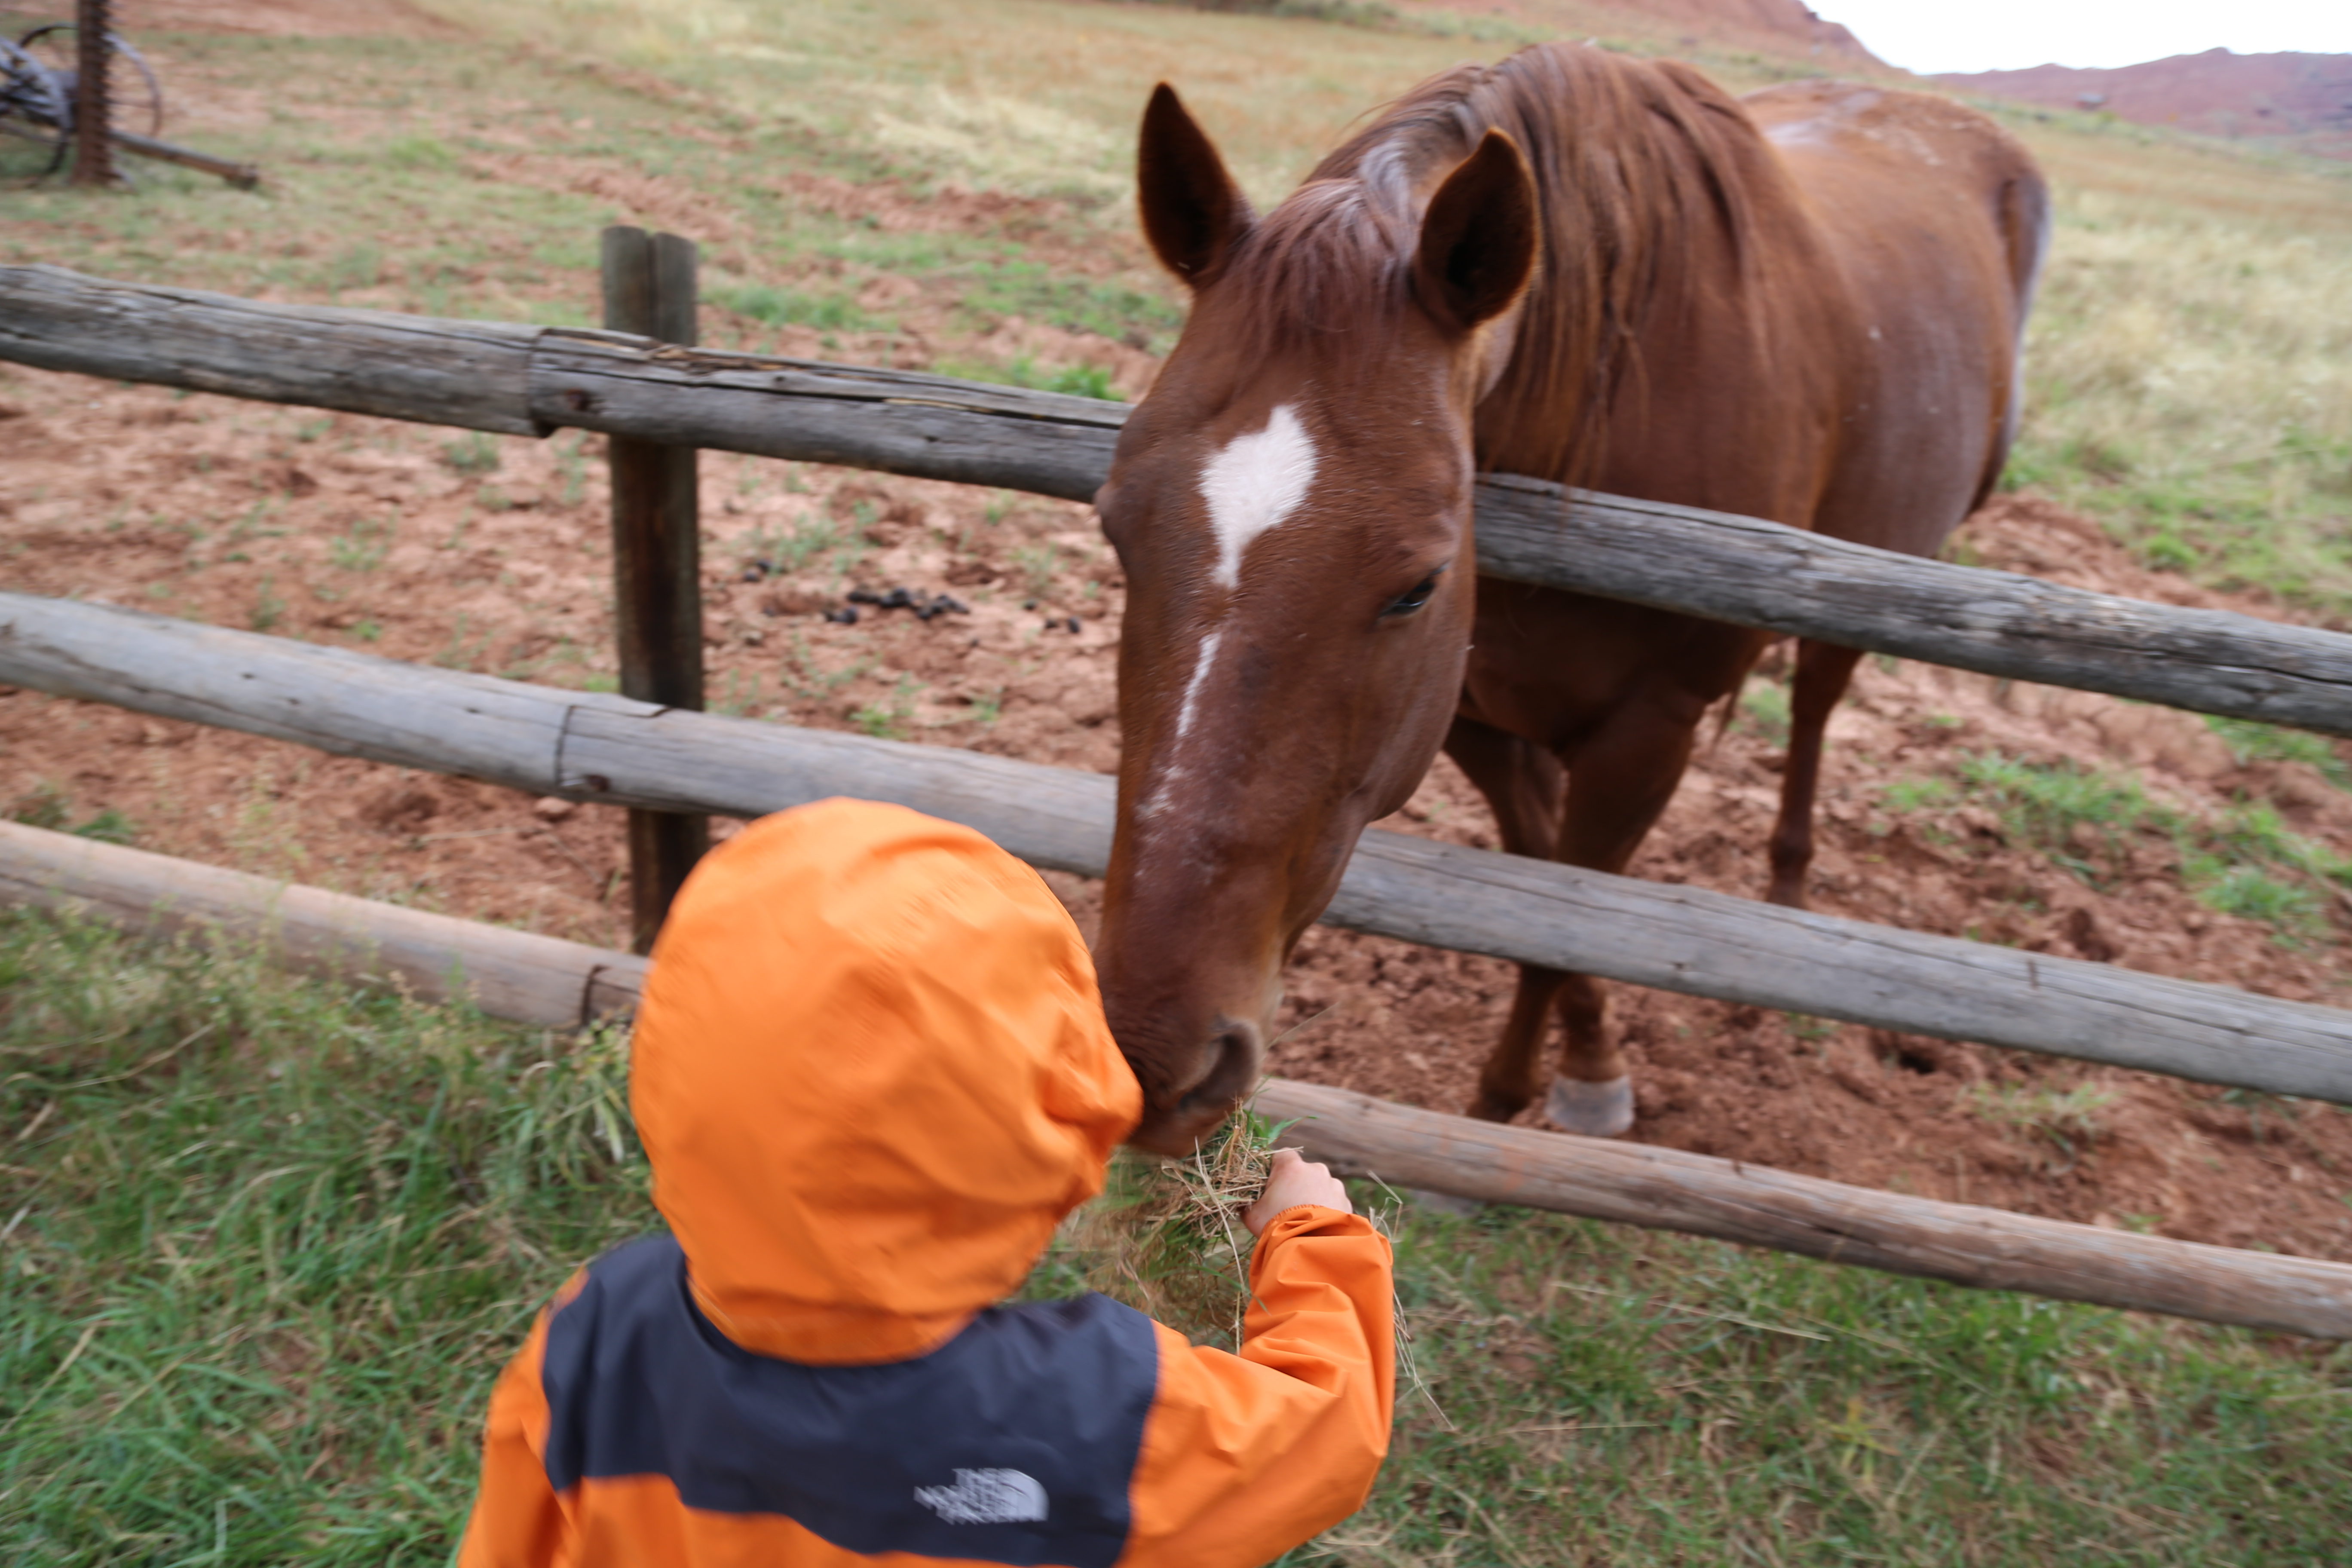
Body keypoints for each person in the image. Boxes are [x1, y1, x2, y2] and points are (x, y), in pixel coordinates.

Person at [459, 797, 1395, 1568]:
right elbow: (1323, 1433)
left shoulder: (598, 1335)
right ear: (1026, 1136)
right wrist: (1313, 1237)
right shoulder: (1091, 1415)